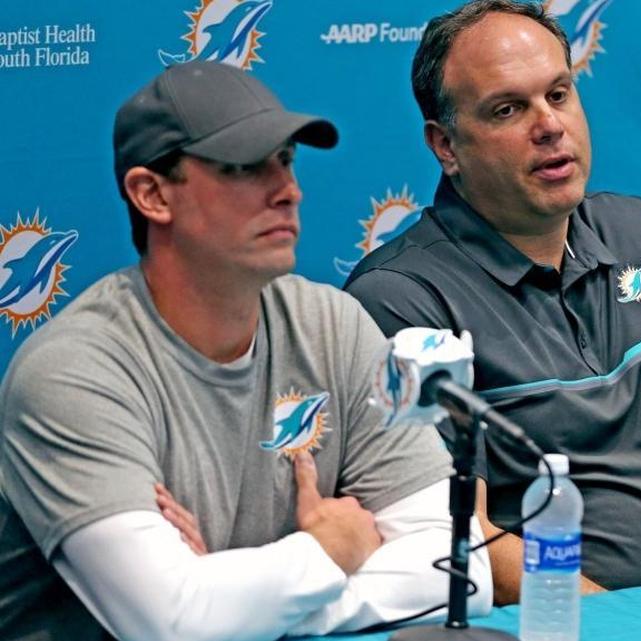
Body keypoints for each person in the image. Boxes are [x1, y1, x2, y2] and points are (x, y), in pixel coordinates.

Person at [344, 0, 641, 602]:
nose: (549, 125)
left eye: (559, 94)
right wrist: (623, 624)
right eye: (508, 109)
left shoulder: (640, 232)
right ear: (446, 146)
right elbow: (457, 530)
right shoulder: (399, 298)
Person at [0, 61, 490, 640]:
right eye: (244, 167)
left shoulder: (330, 323)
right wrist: (328, 550)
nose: (288, 190)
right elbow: (173, 625)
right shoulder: (75, 372)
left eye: (285, 160)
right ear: (151, 194)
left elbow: (462, 574)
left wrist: (240, 596)